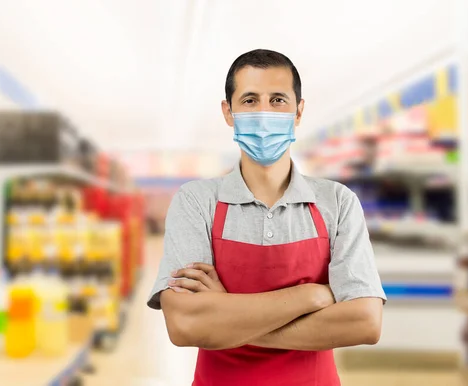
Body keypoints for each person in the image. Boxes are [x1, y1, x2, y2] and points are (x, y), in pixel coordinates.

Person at [147, 49, 386, 386]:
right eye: (249, 100)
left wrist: (225, 316)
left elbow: (365, 323)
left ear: (298, 111)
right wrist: (310, 297)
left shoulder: (337, 202)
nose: (263, 113)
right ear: (228, 112)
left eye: (277, 100)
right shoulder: (197, 202)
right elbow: (186, 326)